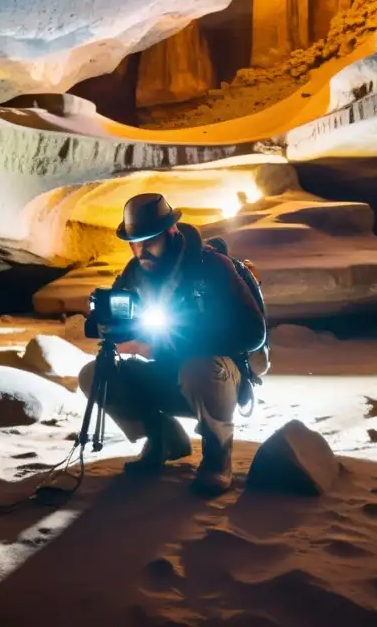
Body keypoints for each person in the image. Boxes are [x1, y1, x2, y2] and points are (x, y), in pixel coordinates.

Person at [78, 193, 266, 495]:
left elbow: (255, 332)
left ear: (171, 233)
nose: (142, 250)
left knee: (197, 367)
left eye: (149, 240)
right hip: (168, 374)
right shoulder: (134, 272)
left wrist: (185, 341)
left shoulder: (212, 267)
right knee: (94, 375)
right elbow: (114, 315)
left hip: (217, 377)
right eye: (135, 242)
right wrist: (108, 326)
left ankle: (218, 458)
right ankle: (162, 439)